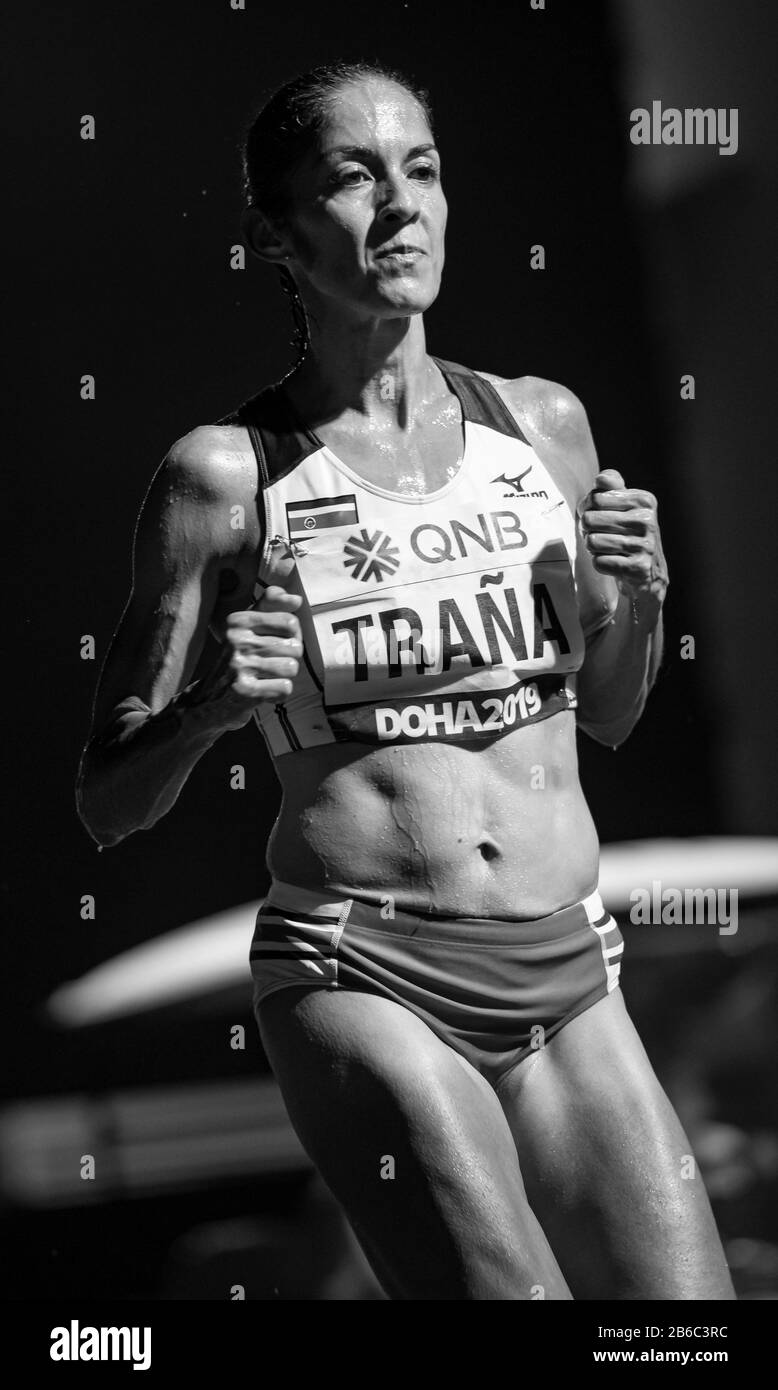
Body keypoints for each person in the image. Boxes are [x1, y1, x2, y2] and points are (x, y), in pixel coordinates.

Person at [76, 60, 735, 1300]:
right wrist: (214, 707)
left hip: (569, 967)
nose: (401, 207)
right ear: (272, 235)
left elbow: (610, 709)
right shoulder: (224, 477)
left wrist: (638, 596)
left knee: (687, 1325)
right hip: (362, 968)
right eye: (353, 176)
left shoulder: (541, 425)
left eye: (422, 171)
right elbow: (109, 801)